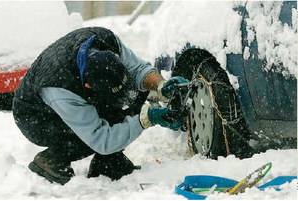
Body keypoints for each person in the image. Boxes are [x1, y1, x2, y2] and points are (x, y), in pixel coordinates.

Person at [12, 27, 189, 185]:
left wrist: (160, 85)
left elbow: (137, 70)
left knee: (133, 97)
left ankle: (108, 163)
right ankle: (52, 158)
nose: (123, 99)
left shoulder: (106, 41)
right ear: (88, 86)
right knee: (97, 130)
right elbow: (101, 139)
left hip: (74, 88)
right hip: (37, 117)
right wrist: (147, 119)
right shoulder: (62, 91)